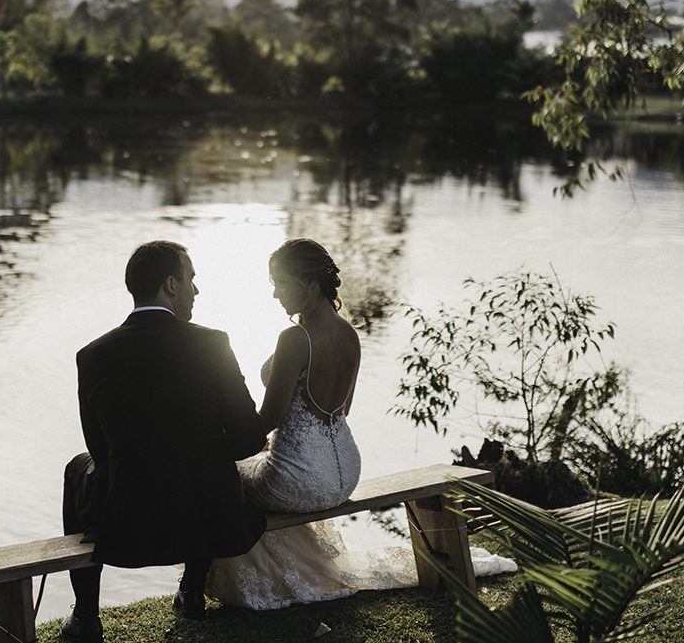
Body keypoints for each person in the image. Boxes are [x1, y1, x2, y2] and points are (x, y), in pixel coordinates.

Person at [205, 238, 516, 610]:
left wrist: (222, 442)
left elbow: (268, 419)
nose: (275, 295)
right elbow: (342, 409)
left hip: (299, 479)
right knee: (252, 470)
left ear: (308, 284)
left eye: (280, 283)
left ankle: (257, 583)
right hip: (345, 472)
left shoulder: (295, 338)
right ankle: (287, 570)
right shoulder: (349, 334)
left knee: (224, 478)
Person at [60, 241, 268, 641]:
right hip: (211, 518)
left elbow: (100, 450)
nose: (196, 289)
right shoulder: (213, 343)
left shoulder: (92, 355)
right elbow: (247, 440)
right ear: (171, 284)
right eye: (191, 279)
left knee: (77, 466)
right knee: (195, 458)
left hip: (129, 521)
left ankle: (86, 616)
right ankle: (191, 590)